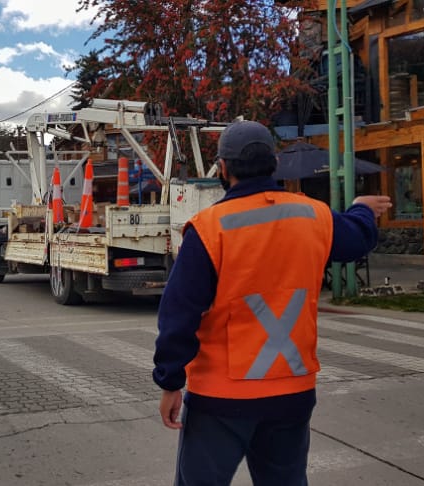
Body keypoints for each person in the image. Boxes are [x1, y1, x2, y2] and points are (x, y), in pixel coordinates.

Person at [153, 120, 392, 486]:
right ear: (275, 165)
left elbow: (179, 313)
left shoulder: (209, 228)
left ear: (223, 168)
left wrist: (170, 380)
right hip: (291, 394)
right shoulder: (312, 215)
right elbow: (357, 238)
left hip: (221, 398)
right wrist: (360, 207)